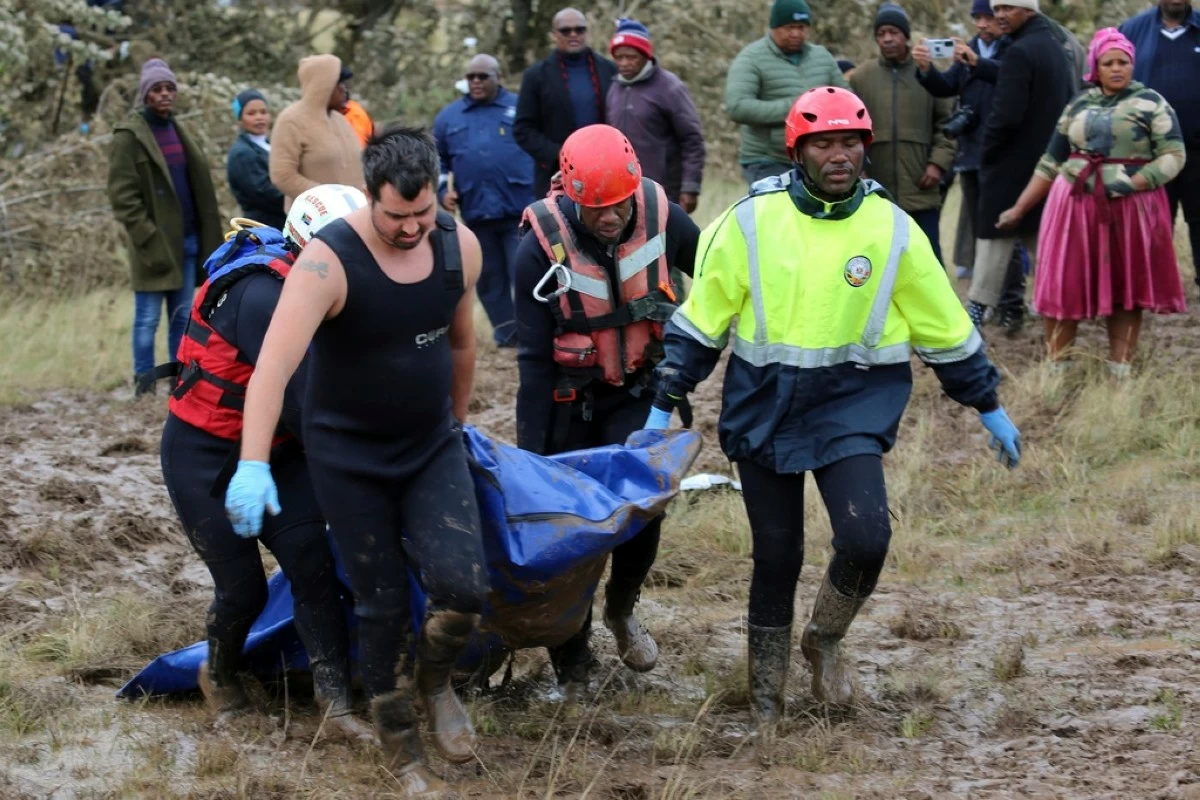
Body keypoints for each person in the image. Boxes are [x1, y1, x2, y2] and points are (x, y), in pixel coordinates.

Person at [646, 87, 1019, 750]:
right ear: (798, 151)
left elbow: (943, 327)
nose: (839, 154)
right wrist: (661, 404)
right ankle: (766, 698)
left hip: (851, 408)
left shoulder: (892, 230)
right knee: (778, 556)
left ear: (864, 150)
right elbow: (702, 322)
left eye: (850, 142)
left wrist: (987, 403)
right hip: (763, 410)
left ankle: (823, 639)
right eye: (824, 143)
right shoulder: (749, 222)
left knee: (867, 537)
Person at [226, 127, 487, 792]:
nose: (409, 229)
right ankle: (399, 744)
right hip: (348, 458)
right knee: (380, 603)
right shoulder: (327, 262)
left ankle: (435, 686)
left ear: (438, 196)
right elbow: (273, 371)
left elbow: (461, 345)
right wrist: (253, 463)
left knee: (463, 587)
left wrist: (456, 425)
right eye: (395, 216)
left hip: (429, 446)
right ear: (369, 198)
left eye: (421, 215)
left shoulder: (460, 247)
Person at [161, 186, 371, 737]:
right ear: (308, 248)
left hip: (278, 450)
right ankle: (220, 674)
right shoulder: (264, 298)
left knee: (312, 564)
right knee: (244, 590)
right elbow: (306, 404)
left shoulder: (323, 278)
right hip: (204, 457)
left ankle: (336, 704)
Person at [513, 124, 700, 692]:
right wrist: (531, 456)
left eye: (619, 204)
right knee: (569, 537)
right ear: (571, 196)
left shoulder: (663, 216)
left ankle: (622, 609)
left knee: (643, 511)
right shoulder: (535, 248)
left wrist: (688, 358)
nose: (612, 216)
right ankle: (574, 666)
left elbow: (720, 278)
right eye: (597, 209)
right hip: (568, 400)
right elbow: (531, 359)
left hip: (638, 390)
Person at [998, 28, 1187, 375]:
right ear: (1095, 67)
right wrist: (1020, 207)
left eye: (1123, 62)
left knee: (1124, 286)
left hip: (1132, 210)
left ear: (1133, 64)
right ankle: (1058, 366)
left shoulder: (1151, 102)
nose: (1117, 68)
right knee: (1063, 282)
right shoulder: (1078, 104)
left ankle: (1120, 368)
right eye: (1108, 62)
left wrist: (1135, 182)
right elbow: (1050, 161)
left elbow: (1174, 155)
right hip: (1073, 207)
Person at [107, 57, 223, 397]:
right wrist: (146, 235)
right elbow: (122, 196)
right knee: (146, 321)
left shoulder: (177, 129)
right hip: (152, 246)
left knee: (182, 317)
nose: (164, 95)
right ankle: (144, 386)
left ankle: (179, 382)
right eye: (157, 89)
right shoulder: (129, 137)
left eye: (169, 88)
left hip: (187, 242)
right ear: (146, 95)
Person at [913, 0, 1026, 332]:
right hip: (972, 154)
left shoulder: (1013, 49)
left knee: (1006, 230)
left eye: (987, 17)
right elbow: (947, 86)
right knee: (982, 232)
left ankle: (1012, 304)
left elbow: (1011, 83)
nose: (981, 24)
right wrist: (926, 70)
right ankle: (986, 302)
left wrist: (979, 63)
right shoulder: (970, 50)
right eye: (976, 18)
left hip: (1003, 153)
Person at [965, 0, 1074, 328]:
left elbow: (1006, 116)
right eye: (996, 9)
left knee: (994, 238)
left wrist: (987, 152)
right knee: (1044, 242)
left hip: (1011, 167)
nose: (999, 15)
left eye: (1007, 8)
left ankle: (976, 314)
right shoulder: (1054, 46)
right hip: (1049, 164)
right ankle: (1056, 315)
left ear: (1029, 10)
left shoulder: (1019, 51)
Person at [434, 54, 536, 348]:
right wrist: (443, 192)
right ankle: (508, 335)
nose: (476, 82)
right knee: (489, 279)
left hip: (519, 210)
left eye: (483, 76)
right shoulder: (449, 118)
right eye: (471, 77)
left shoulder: (520, 108)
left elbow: (540, 149)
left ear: (497, 77)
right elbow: (437, 160)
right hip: (477, 212)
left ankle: (533, 333)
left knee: (525, 273)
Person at [850, 3, 955, 265]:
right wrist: (858, 169)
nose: (887, 38)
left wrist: (937, 164)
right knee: (878, 259)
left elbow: (948, 124)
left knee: (928, 259)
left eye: (894, 32)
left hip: (921, 185)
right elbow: (851, 129)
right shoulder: (861, 77)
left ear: (906, 36)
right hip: (876, 187)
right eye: (882, 33)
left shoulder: (928, 74)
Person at [725, 0, 848, 188]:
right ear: (774, 27)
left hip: (814, 159)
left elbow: (846, 98)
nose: (796, 34)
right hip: (767, 160)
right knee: (774, 216)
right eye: (789, 28)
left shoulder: (822, 56)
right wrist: (797, 108)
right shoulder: (751, 58)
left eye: (802, 27)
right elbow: (738, 107)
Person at [1120, 0, 1200, 287]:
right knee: (1153, 221)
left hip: (1197, 149)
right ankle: (1153, 285)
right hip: (1147, 152)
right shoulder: (1132, 30)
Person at [605, 18, 706, 214]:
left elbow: (692, 139)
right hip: (623, 192)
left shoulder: (670, 87)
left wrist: (690, 187)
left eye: (631, 57)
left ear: (645, 55)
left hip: (664, 192)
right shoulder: (614, 88)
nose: (624, 63)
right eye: (619, 57)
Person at [514, 8, 618, 198]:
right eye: (565, 30)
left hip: (606, 170)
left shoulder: (609, 69)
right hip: (556, 176)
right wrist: (560, 153)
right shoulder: (536, 76)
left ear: (587, 32)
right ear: (554, 35)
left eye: (579, 29)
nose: (573, 34)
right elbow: (523, 130)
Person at [269, 54, 363, 211]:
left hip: (354, 216)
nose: (344, 89)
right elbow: (282, 175)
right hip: (314, 221)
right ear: (323, 86)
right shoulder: (291, 121)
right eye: (338, 83)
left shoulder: (340, 120)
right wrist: (328, 198)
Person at [226, 89, 286, 229]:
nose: (259, 117)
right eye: (251, 113)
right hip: (263, 227)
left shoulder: (269, 145)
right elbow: (263, 192)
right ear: (240, 118)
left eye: (263, 112)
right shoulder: (242, 154)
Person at [337, 65, 376, 147]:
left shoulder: (356, 112)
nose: (343, 88)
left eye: (343, 82)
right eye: (337, 84)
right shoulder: (316, 119)